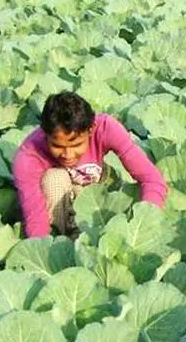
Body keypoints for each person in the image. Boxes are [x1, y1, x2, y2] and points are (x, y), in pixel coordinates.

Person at [13, 91, 167, 238]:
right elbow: (35, 218)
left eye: (76, 145)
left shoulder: (106, 128)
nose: (68, 155)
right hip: (59, 200)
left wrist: (145, 222)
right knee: (54, 179)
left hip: (98, 189)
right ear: (44, 134)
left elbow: (151, 179)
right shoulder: (29, 154)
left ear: (91, 129)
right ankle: (68, 236)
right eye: (58, 146)